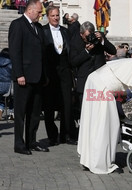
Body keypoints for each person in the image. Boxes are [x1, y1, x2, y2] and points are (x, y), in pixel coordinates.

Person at [77, 55, 132, 174]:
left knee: (94, 124)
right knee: (106, 126)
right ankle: (100, 164)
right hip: (103, 89)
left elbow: (129, 88)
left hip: (96, 83)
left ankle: (89, 160)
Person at [8, 0, 48, 155]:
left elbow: (42, 54)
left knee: (34, 112)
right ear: (30, 10)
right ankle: (19, 144)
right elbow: (15, 51)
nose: (40, 15)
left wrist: (44, 75)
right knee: (20, 112)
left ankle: (31, 141)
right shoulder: (18, 25)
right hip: (23, 77)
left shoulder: (38, 27)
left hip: (37, 77)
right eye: (39, 12)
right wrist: (19, 74)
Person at [42, 5, 76, 146]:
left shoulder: (65, 31)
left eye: (57, 15)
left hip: (65, 72)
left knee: (67, 104)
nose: (55, 18)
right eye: (53, 15)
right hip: (50, 73)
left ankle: (66, 135)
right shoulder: (42, 31)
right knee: (49, 106)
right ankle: (52, 136)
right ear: (48, 16)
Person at [70, 21, 116, 120]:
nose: (89, 38)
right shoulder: (75, 42)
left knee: (100, 113)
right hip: (85, 82)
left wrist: (102, 40)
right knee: (86, 114)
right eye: (86, 36)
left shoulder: (98, 38)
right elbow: (73, 62)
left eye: (90, 35)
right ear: (81, 34)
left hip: (100, 81)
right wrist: (86, 51)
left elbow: (113, 51)